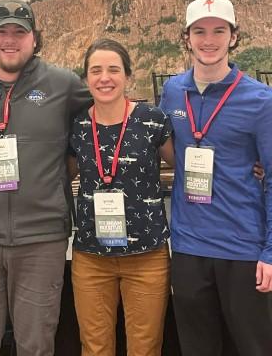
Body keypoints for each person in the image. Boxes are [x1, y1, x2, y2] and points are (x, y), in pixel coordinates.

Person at [0, 0, 90, 356]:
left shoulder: (64, 84)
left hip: (41, 240)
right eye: (2, 32)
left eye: (19, 32)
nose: (10, 40)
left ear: (34, 39)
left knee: (35, 346)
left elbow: (107, 115)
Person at [159, 0, 272, 356]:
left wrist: (270, 251)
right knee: (197, 348)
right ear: (186, 38)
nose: (209, 40)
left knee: (253, 346)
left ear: (233, 36)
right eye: (200, 31)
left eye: (218, 31)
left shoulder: (261, 100)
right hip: (189, 245)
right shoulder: (173, 91)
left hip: (243, 247)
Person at [68, 39, 174, 356]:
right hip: (91, 257)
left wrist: (251, 168)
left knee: (145, 348)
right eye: (96, 70)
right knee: (95, 347)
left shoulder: (152, 120)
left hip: (147, 255)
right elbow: (60, 175)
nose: (105, 78)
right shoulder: (77, 126)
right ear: (86, 78)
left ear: (127, 75)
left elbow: (184, 168)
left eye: (113, 69)